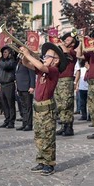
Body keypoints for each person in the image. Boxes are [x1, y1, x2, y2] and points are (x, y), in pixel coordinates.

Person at [20, 42, 67, 176]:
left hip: (47, 109)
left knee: (48, 137)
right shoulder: (42, 70)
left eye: (48, 56)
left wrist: (28, 54)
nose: (44, 57)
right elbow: (26, 64)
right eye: (45, 55)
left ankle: (49, 163)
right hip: (38, 108)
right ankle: (41, 160)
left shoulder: (53, 70)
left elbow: (39, 64)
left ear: (56, 61)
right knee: (39, 136)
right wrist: (25, 54)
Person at [53, 32, 79, 136]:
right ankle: (63, 125)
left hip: (66, 80)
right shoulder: (60, 52)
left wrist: (60, 43)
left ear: (73, 43)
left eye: (68, 40)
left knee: (66, 103)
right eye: (65, 40)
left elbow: (66, 51)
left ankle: (69, 127)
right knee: (60, 104)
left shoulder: (72, 52)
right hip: (58, 79)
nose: (65, 41)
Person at [0, 46, 17, 129]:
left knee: (10, 104)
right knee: (4, 104)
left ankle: (11, 121)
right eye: (3, 52)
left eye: (6, 52)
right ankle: (6, 120)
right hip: (2, 84)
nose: (4, 54)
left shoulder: (12, 61)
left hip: (9, 84)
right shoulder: (1, 62)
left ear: (10, 53)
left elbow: (6, 66)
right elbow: (1, 69)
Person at [15, 58, 35, 131]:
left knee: (28, 107)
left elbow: (32, 74)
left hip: (27, 87)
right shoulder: (19, 63)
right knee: (23, 107)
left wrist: (32, 86)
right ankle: (24, 123)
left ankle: (29, 124)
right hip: (20, 88)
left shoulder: (28, 62)